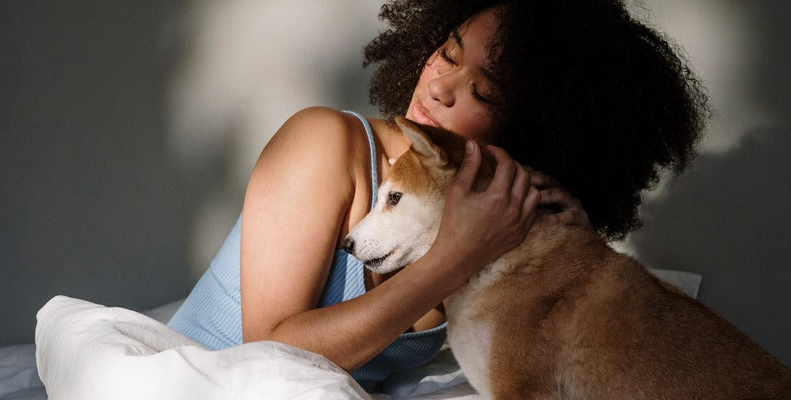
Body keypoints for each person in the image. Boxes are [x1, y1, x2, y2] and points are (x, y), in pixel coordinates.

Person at [168, 0, 708, 392]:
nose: (437, 86)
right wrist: (454, 257)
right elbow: (268, 356)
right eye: (447, 54)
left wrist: (567, 251)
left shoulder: (502, 229)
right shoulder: (324, 143)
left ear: (534, 132)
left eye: (482, 91)